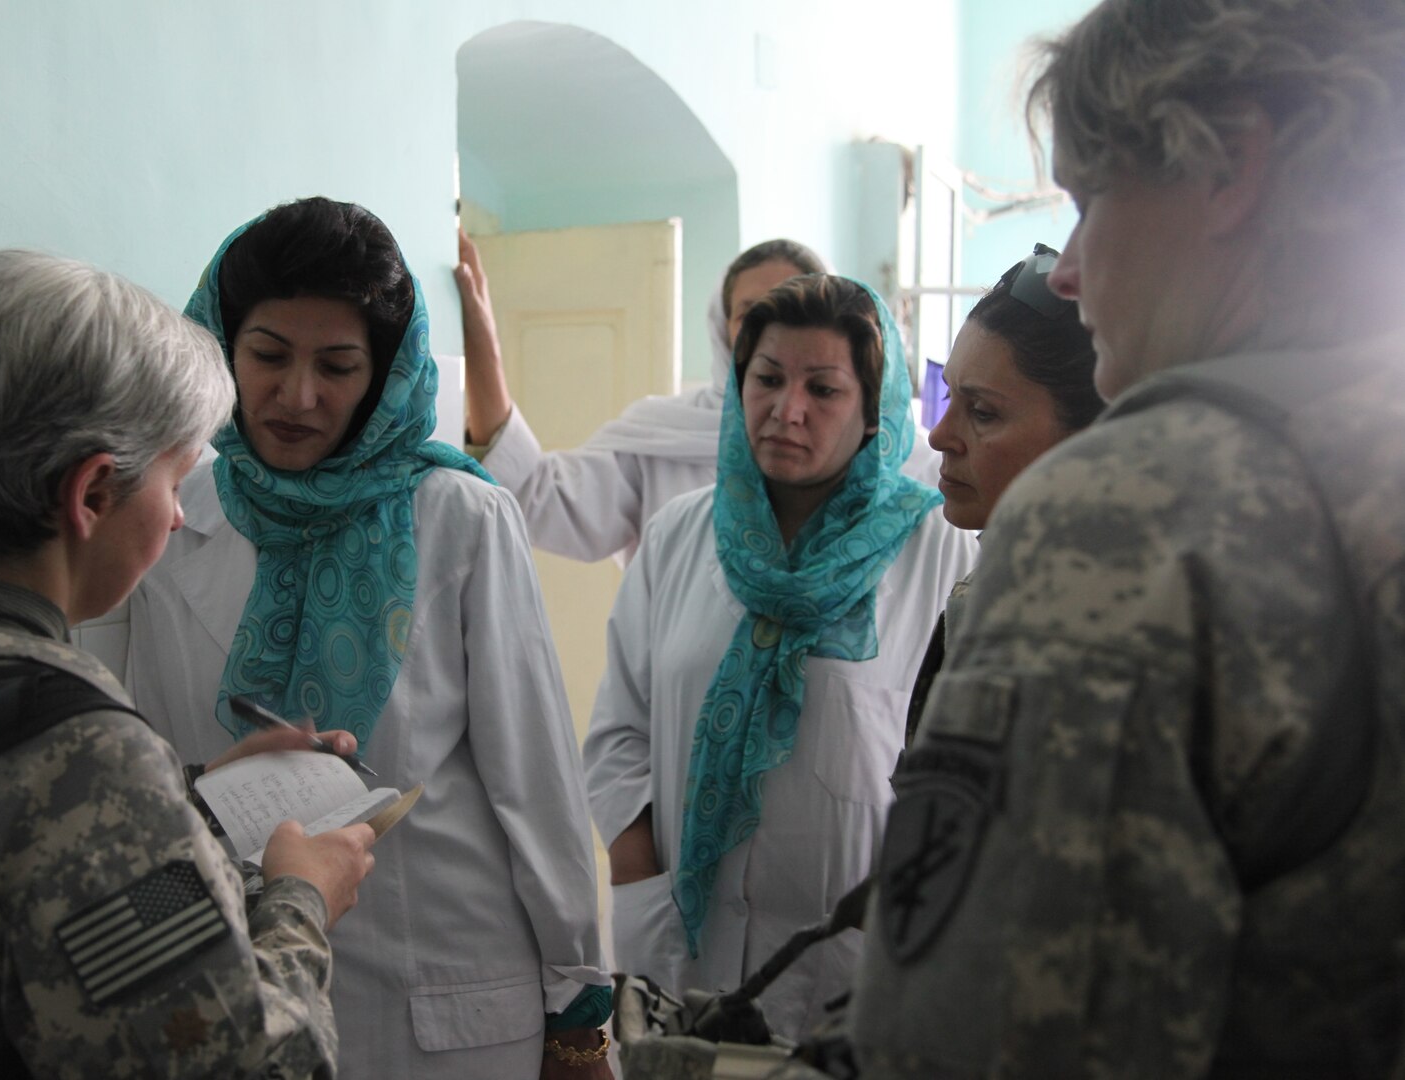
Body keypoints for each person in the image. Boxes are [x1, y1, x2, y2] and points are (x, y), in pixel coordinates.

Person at [852, 0, 1405, 1074]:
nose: (1066, 269)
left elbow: (988, 1046)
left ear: (1229, 169)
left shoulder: (1131, 512)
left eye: (1091, 198)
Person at [0, 249, 376, 1078]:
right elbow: (242, 1064)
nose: (177, 517)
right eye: (175, 479)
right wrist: (301, 898)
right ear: (93, 494)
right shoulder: (78, 750)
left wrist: (189, 801)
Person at [124, 197, 612, 1079]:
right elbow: (151, 779)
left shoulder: (459, 516)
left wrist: (578, 1004)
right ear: (221, 348)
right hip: (244, 989)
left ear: (384, 373)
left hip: (450, 993)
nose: (298, 396)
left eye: (339, 366)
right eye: (268, 356)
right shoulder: (167, 518)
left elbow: (535, 780)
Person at [582, 274, 978, 1040]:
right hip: (682, 949)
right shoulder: (678, 536)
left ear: (874, 413)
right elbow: (619, 729)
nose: (786, 410)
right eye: (766, 379)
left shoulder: (940, 553)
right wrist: (642, 874)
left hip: (854, 957)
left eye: (823, 390)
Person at [457, 232, 943, 565]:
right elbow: (537, 497)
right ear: (721, 325)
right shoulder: (663, 438)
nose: (774, 329)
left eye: (792, 303)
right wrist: (482, 346)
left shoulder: (896, 453)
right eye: (752, 313)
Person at [905, 243, 1102, 742]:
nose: (938, 435)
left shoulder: (1081, 634)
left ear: (1086, 438)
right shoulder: (1001, 585)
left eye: (983, 412)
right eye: (950, 396)